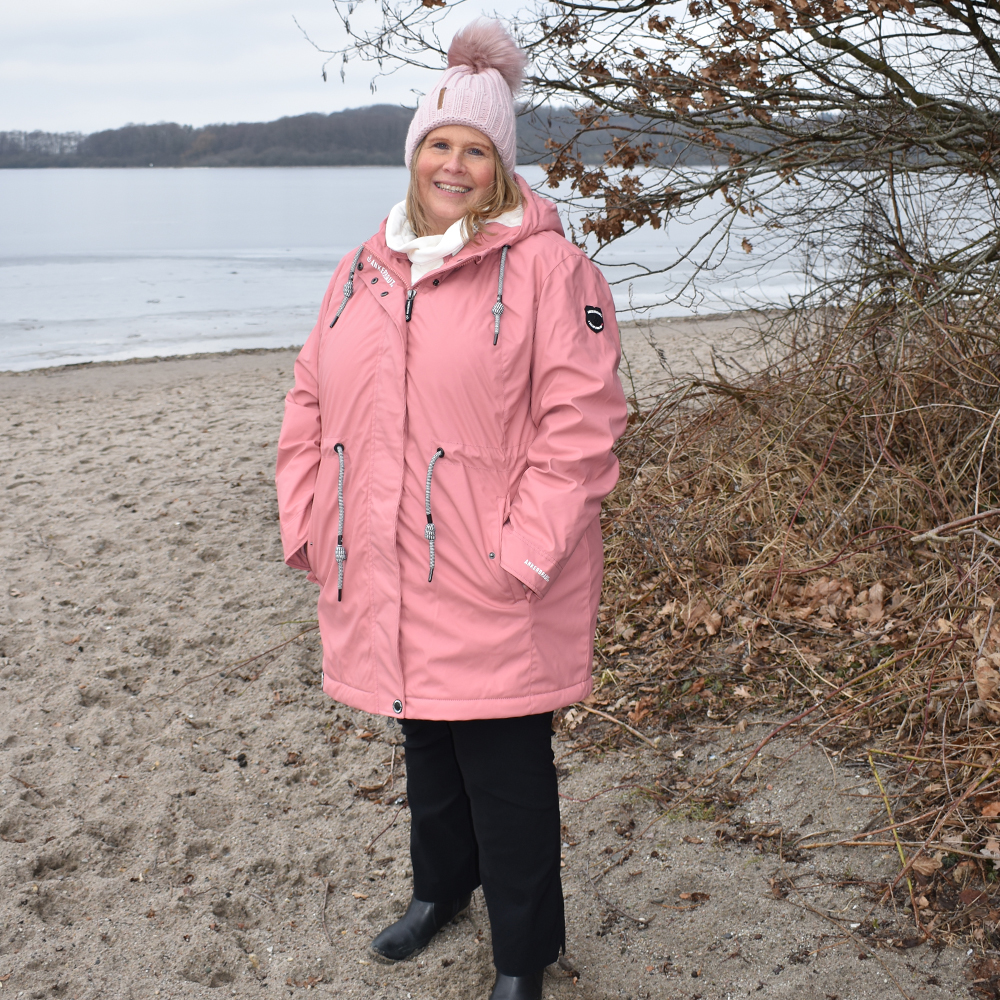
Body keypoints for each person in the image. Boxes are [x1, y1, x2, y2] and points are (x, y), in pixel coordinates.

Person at [275, 19, 627, 1000]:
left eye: (475, 148)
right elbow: (308, 398)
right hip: (381, 561)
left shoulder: (554, 271)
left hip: (493, 570)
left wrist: (523, 553)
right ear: (413, 154)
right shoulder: (361, 267)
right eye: (439, 144)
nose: (454, 163)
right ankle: (441, 889)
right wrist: (307, 519)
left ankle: (522, 954)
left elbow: (584, 424)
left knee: (504, 765)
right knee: (422, 737)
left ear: (500, 164)